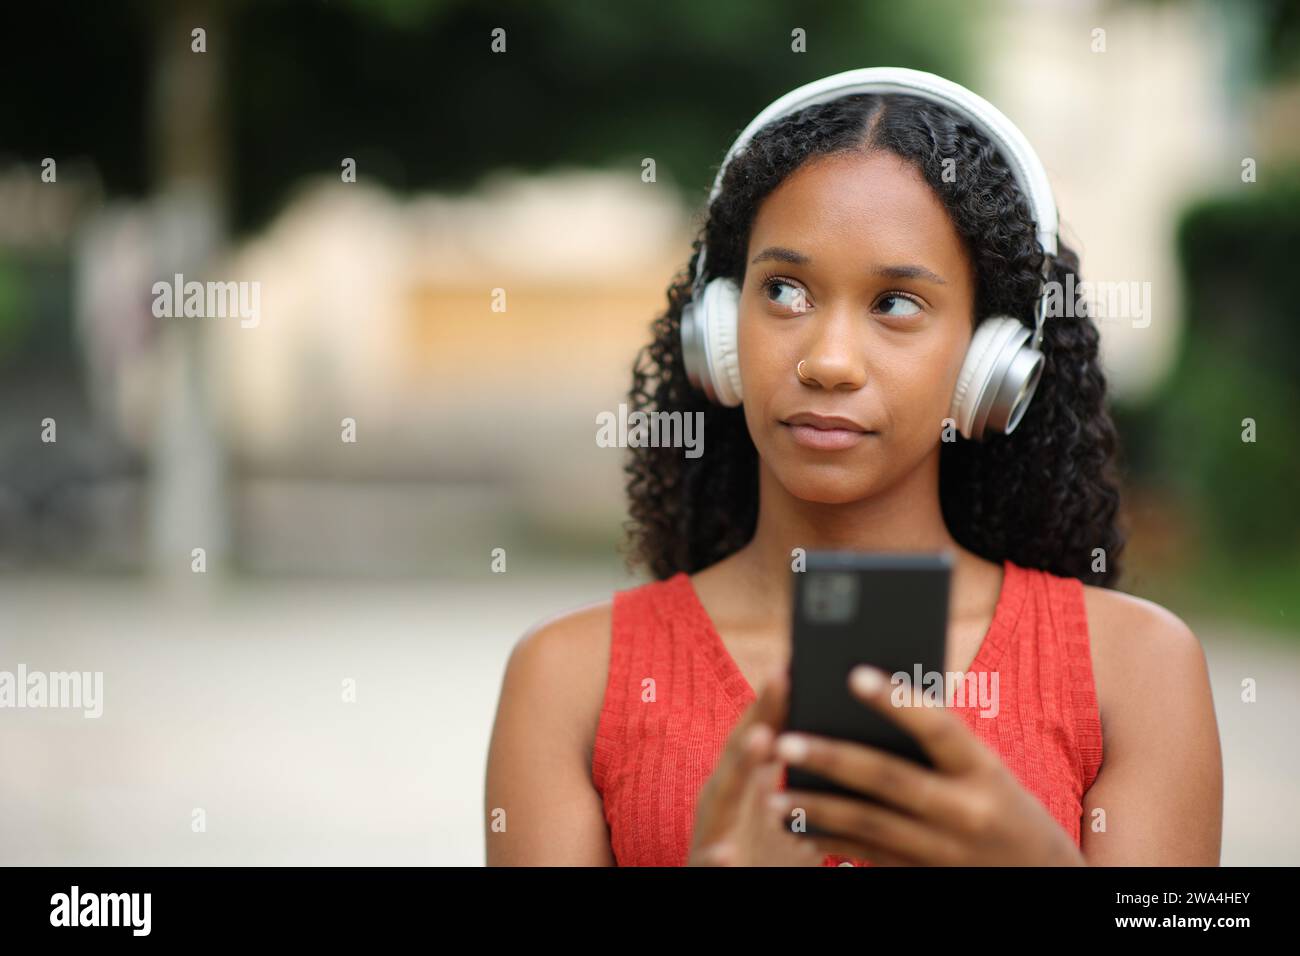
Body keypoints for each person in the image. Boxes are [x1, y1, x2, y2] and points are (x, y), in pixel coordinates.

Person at [484, 69, 1222, 866]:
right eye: (785, 290)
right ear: (720, 338)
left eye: (896, 304)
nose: (829, 361)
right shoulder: (567, 680)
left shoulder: (1136, 670)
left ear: (991, 362)